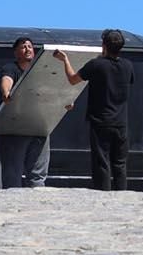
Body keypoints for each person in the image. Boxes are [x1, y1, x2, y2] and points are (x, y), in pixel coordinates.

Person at [56, 30, 131, 191]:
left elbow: (72, 79)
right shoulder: (127, 66)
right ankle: (122, 195)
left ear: (104, 45)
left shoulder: (96, 65)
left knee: (101, 161)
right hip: (121, 121)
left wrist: (65, 60)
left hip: (101, 121)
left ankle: (103, 193)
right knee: (120, 163)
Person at [0, 35, 50, 189]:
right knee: (12, 174)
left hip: (38, 127)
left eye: (30, 47)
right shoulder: (11, 68)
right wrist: (6, 92)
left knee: (37, 175)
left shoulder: (40, 71)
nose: (28, 49)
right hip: (15, 128)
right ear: (16, 52)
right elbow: (7, 80)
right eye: (23, 47)